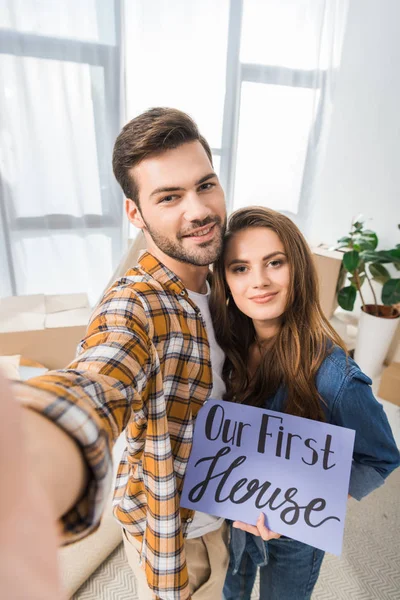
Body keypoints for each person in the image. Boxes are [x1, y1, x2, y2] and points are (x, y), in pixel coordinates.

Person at [10, 108, 229, 600]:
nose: (197, 210)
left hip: (230, 507)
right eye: (168, 197)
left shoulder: (226, 283)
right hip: (176, 536)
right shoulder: (134, 304)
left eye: (205, 185)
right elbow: (97, 378)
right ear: (136, 213)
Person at [209, 206, 400, 600]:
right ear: (224, 280)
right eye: (240, 268)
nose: (258, 281)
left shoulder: (336, 378)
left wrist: (303, 503)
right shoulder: (223, 350)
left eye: (274, 263)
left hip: (296, 535)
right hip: (232, 518)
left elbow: (381, 457)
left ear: (297, 266)